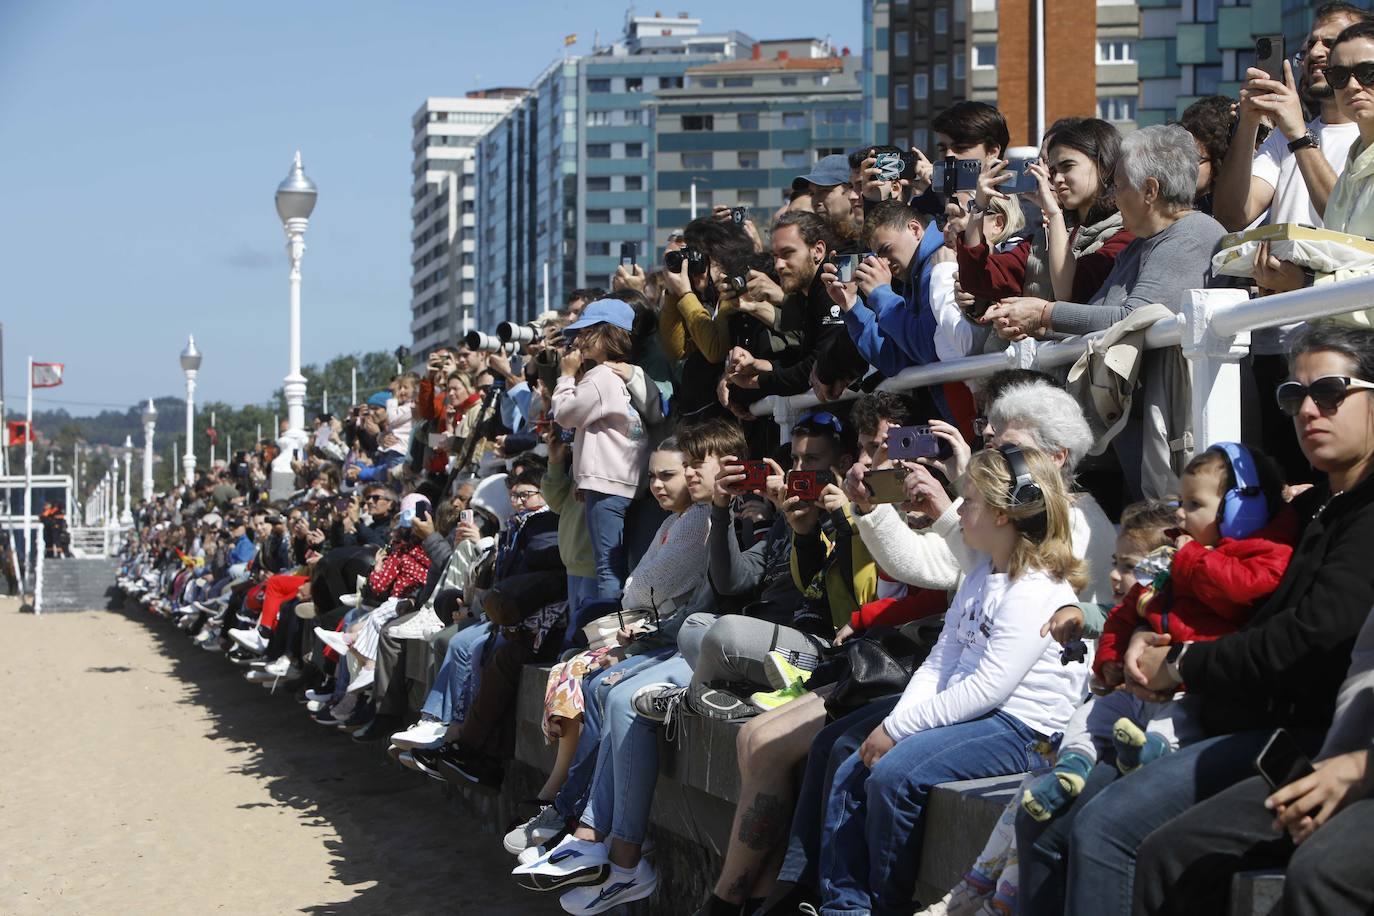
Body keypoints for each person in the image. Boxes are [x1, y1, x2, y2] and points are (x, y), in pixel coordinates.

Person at [1017, 324, 1374, 916]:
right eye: (1294, 396)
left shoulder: (1362, 513)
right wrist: (1141, 626)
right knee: (1048, 828)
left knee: (1109, 833)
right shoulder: (1308, 506)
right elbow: (1211, 591)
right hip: (1225, 710)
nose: (1309, 409)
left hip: (1297, 736)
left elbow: (1314, 636)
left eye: (1331, 391)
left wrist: (1183, 662)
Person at [815, 445, 1088, 914]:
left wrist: (899, 732)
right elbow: (943, 660)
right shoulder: (983, 575)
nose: (961, 509)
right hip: (979, 712)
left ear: (1004, 514)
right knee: (852, 769)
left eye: (973, 500)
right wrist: (898, 723)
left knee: (895, 777)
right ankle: (844, 906)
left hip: (1023, 728)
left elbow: (989, 688)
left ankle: (884, 905)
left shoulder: (1038, 588)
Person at [1021, 443, 1295, 822]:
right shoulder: (1178, 557)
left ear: (1240, 509)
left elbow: (1242, 590)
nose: (1182, 514)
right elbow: (1124, 612)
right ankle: (1073, 766)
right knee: (1091, 714)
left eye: (1195, 505)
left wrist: (1190, 558)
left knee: (1179, 719)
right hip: (1139, 685)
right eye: (1182, 502)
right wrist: (1110, 663)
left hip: (1189, 689)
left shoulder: (1260, 554)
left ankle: (1149, 754)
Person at [983, 124, 1227, 339]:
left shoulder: (1191, 234)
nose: (1115, 199)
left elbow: (1133, 319)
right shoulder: (1139, 245)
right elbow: (1099, 312)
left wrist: (1043, 313)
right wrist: (1033, 326)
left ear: (1150, 190)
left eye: (1120, 187)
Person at [550, 299, 651, 602]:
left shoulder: (599, 377)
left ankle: (608, 636)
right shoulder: (620, 374)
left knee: (607, 567)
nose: (579, 341)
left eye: (587, 332)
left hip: (606, 484)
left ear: (608, 334)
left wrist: (566, 375)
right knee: (618, 563)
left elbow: (566, 414)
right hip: (622, 480)